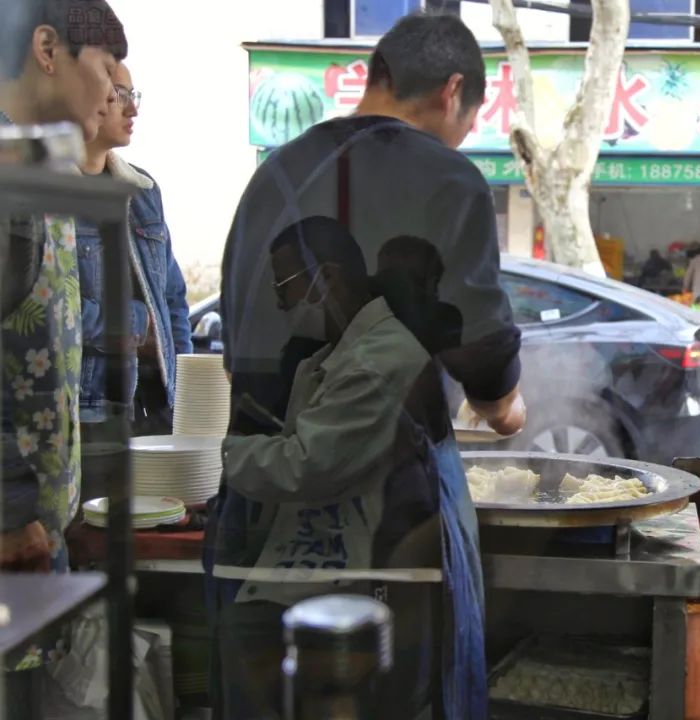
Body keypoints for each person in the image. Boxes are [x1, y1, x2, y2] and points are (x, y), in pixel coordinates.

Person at [207, 13, 526, 720]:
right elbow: (485, 360)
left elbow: (239, 354)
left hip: (255, 527)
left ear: (376, 76)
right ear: (452, 92)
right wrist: (506, 406)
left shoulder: (272, 177)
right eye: (468, 119)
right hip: (392, 531)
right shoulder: (449, 177)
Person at [0, 0, 127, 713]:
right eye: (104, 69)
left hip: (37, 547)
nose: (112, 93)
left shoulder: (42, 174)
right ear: (47, 49)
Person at [77, 62, 191, 457]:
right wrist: (137, 324)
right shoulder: (51, 195)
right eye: (120, 94)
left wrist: (184, 386)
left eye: (133, 95)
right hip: (90, 410)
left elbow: (173, 298)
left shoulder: (142, 190)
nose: (132, 109)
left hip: (159, 407)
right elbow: (49, 314)